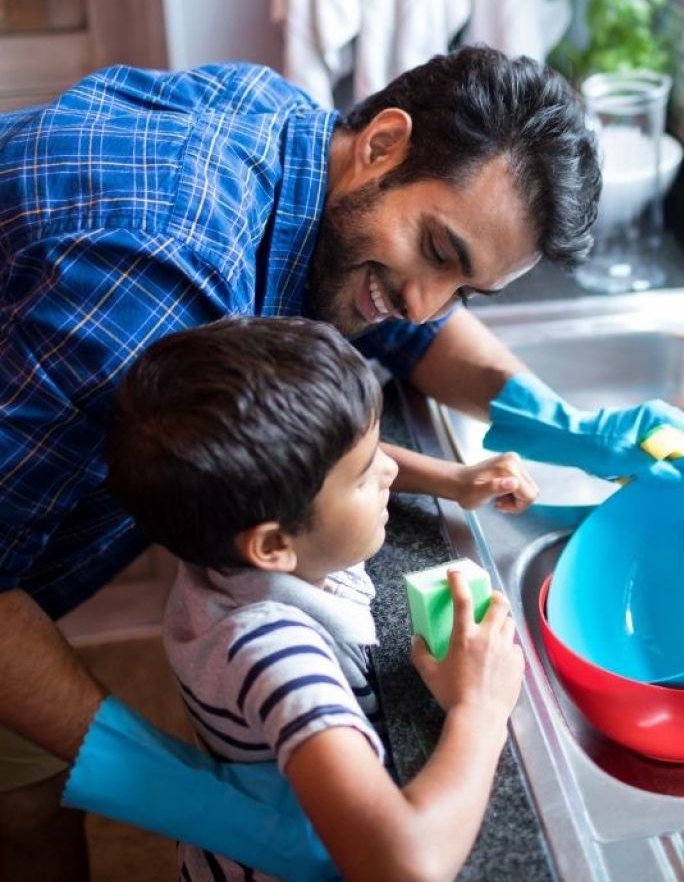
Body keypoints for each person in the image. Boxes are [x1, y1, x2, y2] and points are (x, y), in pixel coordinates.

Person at [0, 44, 684, 878]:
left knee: (25, 781)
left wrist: (559, 422)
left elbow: (402, 315)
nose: (426, 304)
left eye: (467, 288)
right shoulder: (161, 281)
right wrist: (194, 798)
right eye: (440, 251)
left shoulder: (306, 145)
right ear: (383, 144)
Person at [104, 315, 527, 882]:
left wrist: (452, 479)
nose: (391, 469)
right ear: (273, 544)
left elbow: (330, 466)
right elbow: (404, 865)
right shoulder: (273, 651)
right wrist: (480, 709)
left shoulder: (222, 536)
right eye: (364, 475)